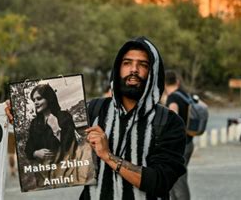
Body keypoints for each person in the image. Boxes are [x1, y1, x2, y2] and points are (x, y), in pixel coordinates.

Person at [81, 36, 186, 200]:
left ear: (153, 72)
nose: (133, 70)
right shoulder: (94, 110)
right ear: (117, 69)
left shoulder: (169, 122)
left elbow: (160, 183)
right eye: (127, 63)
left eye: (143, 65)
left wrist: (108, 156)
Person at [24, 83, 93, 187]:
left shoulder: (64, 117)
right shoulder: (35, 123)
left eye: (39, 99)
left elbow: (70, 147)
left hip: (66, 173)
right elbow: (28, 147)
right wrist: (35, 153)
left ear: (49, 99)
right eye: (34, 100)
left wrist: (55, 127)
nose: (36, 103)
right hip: (44, 175)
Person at [164, 70, 194, 200]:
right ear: (177, 82)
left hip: (178, 147)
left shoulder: (173, 97)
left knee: (178, 181)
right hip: (188, 142)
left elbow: (173, 114)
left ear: (164, 84)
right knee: (175, 179)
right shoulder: (185, 95)